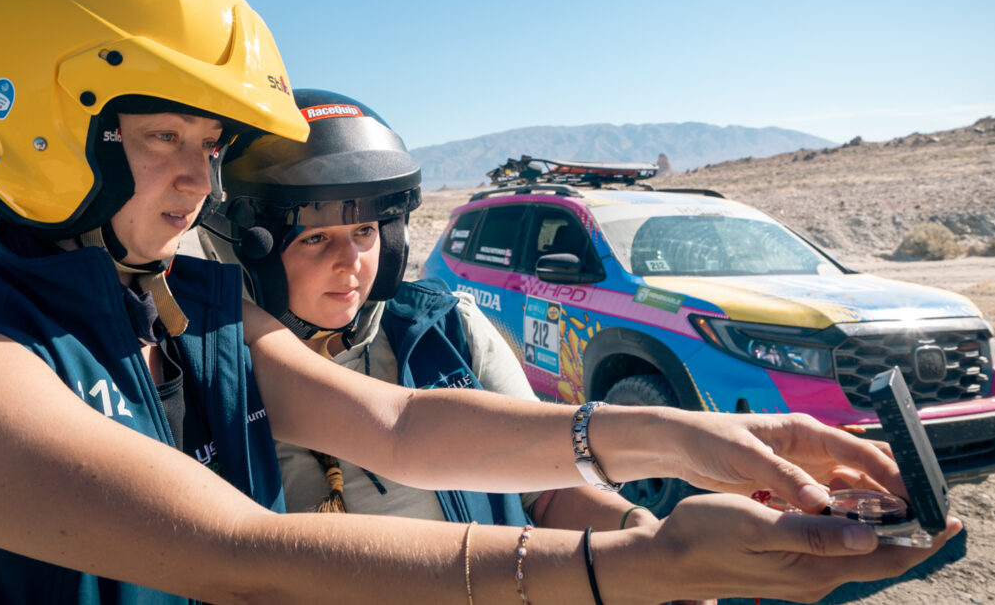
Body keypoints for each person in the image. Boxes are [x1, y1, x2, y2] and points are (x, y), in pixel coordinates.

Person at [0, 0, 960, 605]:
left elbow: (399, 425)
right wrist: (636, 564)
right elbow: (241, 551)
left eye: (210, 148)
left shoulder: (195, 302)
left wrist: (688, 438)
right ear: (48, 120)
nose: (197, 181)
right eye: (165, 136)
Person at [203, 88, 658, 534]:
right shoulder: (213, 375)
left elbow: (547, 490)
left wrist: (630, 524)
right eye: (315, 238)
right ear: (246, 250)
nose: (351, 262)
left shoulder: (447, 329)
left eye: (364, 231)